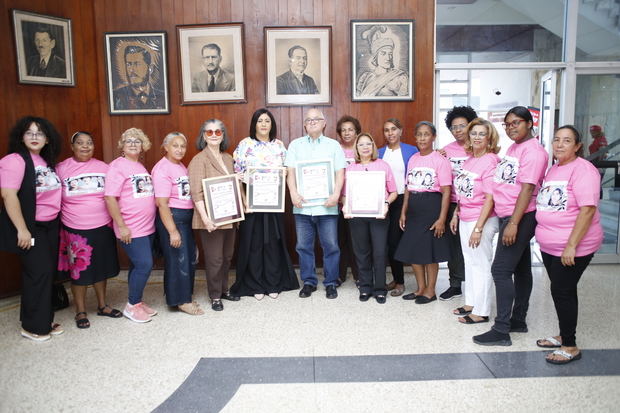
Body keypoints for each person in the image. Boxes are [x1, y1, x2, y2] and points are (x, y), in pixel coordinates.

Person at [473, 106, 549, 346]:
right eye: (507, 124)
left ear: (529, 123)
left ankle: (502, 329)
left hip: (521, 216)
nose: (511, 127)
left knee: (500, 270)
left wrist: (513, 223)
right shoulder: (515, 148)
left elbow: (527, 189)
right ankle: (518, 320)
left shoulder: (534, 152)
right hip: (510, 214)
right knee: (522, 269)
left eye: (516, 122)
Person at [535, 125, 603, 364]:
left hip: (573, 246)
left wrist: (571, 245)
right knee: (562, 289)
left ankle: (570, 345)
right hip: (551, 244)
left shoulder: (584, 170)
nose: (559, 145)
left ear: (577, 146)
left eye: (566, 141)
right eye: (556, 140)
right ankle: (564, 334)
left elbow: (587, 211)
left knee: (562, 290)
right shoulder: (555, 169)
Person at [0, 116, 63, 341]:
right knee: (38, 273)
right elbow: (8, 195)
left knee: (45, 274)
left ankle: (42, 319)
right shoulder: (15, 160)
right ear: (21, 136)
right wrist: (22, 230)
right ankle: (33, 327)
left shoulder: (45, 162)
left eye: (40, 133)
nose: (35, 137)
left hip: (50, 226)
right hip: (30, 227)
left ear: (47, 140)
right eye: (30, 133)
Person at [229, 109, 299, 300]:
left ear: (272, 124)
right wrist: (243, 200)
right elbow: (238, 176)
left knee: (272, 243)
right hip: (252, 204)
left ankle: (273, 282)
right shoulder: (245, 145)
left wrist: (284, 173)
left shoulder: (279, 146)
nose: (264, 124)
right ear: (254, 124)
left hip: (273, 202)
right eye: (260, 120)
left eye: (267, 120)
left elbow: (288, 170)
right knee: (253, 244)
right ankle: (255, 284)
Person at [56, 132, 121, 329]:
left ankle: (102, 305)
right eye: (80, 143)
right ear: (72, 146)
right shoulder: (61, 169)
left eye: (89, 143)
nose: (85, 146)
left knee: (101, 269)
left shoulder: (104, 167)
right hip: (75, 229)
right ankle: (80, 311)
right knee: (79, 272)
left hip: (102, 226)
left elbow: (114, 195)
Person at [285, 108, 346, 299]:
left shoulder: (334, 145)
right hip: (302, 206)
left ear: (324, 123)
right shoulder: (295, 145)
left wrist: (336, 194)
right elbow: (291, 172)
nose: (312, 122)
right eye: (308, 120)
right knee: (303, 246)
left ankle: (330, 282)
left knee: (331, 246)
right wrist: (293, 193)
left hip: (327, 205)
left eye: (316, 119)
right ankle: (309, 282)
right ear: (304, 124)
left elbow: (340, 173)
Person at [449, 119, 501, 324]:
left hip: (483, 220)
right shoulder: (469, 160)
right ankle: (471, 302)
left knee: (481, 264)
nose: (477, 137)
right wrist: (456, 213)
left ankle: (482, 311)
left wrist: (479, 228)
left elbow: (490, 197)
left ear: (489, 138)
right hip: (465, 216)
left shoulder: (491, 160)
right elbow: (462, 192)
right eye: (474, 133)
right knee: (469, 261)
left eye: (482, 133)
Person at [395, 121, 452, 304]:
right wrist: (403, 212)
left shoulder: (440, 160)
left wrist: (442, 219)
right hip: (413, 209)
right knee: (413, 250)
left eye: (426, 134)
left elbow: (446, 192)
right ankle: (420, 288)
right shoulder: (413, 159)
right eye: (419, 134)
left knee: (429, 252)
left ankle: (430, 290)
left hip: (431, 208)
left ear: (433, 137)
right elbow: (408, 188)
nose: (422, 138)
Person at [104, 128, 157, 323]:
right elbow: (110, 198)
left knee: (138, 265)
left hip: (147, 227)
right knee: (145, 264)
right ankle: (131, 306)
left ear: (143, 145)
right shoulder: (117, 166)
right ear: (122, 146)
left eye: (137, 141)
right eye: (128, 141)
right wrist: (122, 225)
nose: (133, 144)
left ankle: (137, 301)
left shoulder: (140, 166)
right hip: (131, 228)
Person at [188, 119, 241, 311]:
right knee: (214, 259)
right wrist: (205, 218)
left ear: (223, 135)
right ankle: (215, 295)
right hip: (211, 219)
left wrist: (243, 205)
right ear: (203, 136)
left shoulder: (228, 158)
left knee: (227, 257)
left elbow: (233, 186)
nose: (213, 135)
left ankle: (224, 289)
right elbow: (196, 192)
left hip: (231, 217)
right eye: (209, 132)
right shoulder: (198, 160)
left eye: (218, 132)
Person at [341, 133, 397, 303]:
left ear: (373, 147)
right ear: (356, 149)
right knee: (361, 252)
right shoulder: (351, 169)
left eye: (368, 144)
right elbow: (345, 195)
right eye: (361, 144)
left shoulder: (383, 166)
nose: (365, 147)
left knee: (379, 252)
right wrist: (345, 205)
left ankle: (380, 288)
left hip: (379, 216)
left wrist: (386, 203)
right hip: (357, 216)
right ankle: (365, 287)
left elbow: (393, 191)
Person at [152, 132, 202, 315]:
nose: (180, 149)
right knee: (178, 260)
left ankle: (182, 295)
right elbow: (162, 203)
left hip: (185, 218)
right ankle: (182, 301)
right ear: (166, 147)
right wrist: (172, 231)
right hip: (173, 218)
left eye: (182, 146)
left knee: (187, 258)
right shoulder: (162, 169)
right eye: (175, 145)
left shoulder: (180, 165)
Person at [439, 105, 478, 301]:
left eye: (462, 126)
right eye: (454, 127)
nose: (458, 130)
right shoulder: (446, 150)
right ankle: (455, 284)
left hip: (474, 204)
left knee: (472, 246)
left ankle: (474, 284)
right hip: (453, 202)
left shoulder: (478, 146)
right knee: (454, 245)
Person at [377, 118, 418, 297]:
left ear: (400, 131)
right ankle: (397, 279)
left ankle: (401, 282)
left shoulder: (412, 150)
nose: (390, 133)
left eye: (394, 129)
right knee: (387, 243)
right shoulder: (379, 152)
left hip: (404, 200)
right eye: (386, 130)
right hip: (383, 201)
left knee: (398, 242)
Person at [335, 115, 361, 286]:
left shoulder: (362, 149)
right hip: (338, 202)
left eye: (350, 129)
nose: (347, 133)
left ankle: (359, 276)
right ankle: (340, 275)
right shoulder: (335, 149)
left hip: (359, 203)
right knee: (339, 240)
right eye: (343, 130)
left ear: (357, 131)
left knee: (358, 241)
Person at [355, 25, 408, 97]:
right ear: (375, 57)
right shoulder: (365, 77)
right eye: (383, 53)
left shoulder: (399, 77)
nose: (388, 57)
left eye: (390, 54)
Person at [113, 45, 165, 110]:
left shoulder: (163, 97)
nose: (131, 69)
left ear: (150, 69)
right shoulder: (115, 97)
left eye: (137, 64)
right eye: (128, 64)